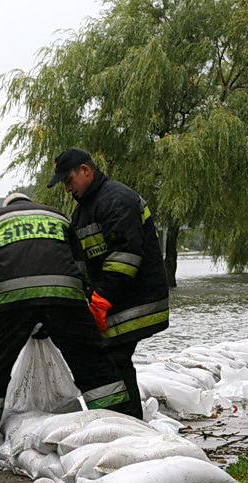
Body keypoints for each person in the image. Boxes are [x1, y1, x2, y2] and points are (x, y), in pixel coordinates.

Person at [0, 193, 137, 469]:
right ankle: (122, 430)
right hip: (65, 296)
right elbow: (80, 269)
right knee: (94, 365)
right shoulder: (58, 217)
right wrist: (63, 311)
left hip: (11, 301)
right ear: (30, 202)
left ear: (8, 206)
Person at [46, 147, 170, 416]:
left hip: (135, 300)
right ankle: (123, 422)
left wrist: (102, 299)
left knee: (113, 357)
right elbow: (83, 263)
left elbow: (125, 256)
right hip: (116, 298)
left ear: (86, 171)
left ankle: (129, 424)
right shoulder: (85, 210)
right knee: (111, 358)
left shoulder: (116, 199)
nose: (67, 189)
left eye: (68, 181)